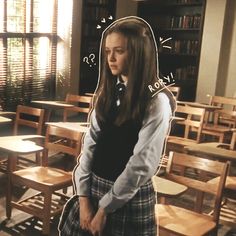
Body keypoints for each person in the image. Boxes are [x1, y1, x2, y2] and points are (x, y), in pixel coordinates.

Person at [59, 16, 176, 236]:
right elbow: (89, 146)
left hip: (126, 196)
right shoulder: (106, 94)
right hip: (93, 189)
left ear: (139, 53)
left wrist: (105, 208)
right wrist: (83, 198)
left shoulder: (156, 102)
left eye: (119, 51)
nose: (110, 58)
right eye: (107, 51)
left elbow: (141, 164)